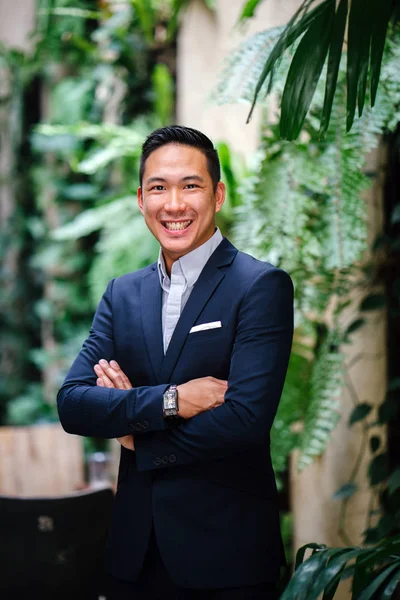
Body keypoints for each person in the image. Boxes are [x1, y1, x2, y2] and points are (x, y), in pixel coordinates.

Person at [57, 125, 294, 600]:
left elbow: (245, 419)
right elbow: (74, 403)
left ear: (218, 194)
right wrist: (172, 401)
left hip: (227, 559)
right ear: (140, 199)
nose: (175, 204)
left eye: (191, 186)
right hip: (133, 558)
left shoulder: (259, 286)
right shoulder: (122, 293)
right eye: (159, 188)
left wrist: (134, 435)